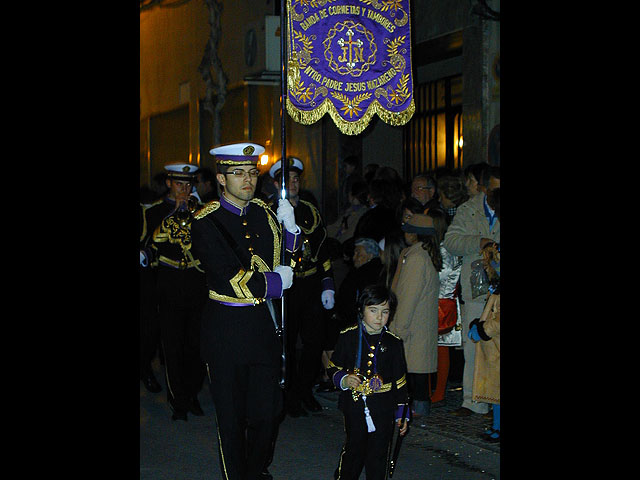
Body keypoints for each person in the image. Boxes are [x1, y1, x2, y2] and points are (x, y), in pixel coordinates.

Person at [190, 142, 301, 480]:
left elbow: (289, 263)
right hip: (226, 329)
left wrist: (292, 232)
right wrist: (274, 284)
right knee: (232, 418)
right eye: (238, 173)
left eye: (252, 173)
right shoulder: (205, 221)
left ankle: (256, 470)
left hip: (261, 328)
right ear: (222, 179)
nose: (247, 180)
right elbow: (227, 277)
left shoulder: (266, 215)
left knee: (269, 413)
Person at [267, 156, 336, 417]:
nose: (293, 184)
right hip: (286, 286)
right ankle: (287, 394)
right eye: (287, 180)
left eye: (296, 179)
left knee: (314, 341)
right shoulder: (268, 211)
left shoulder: (310, 210)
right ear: (277, 184)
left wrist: (327, 284)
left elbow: (322, 250)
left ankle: (304, 390)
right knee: (286, 343)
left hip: (309, 283)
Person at [139, 162, 207, 421]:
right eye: (180, 184)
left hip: (197, 283)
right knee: (173, 345)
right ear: (169, 183)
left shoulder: (199, 211)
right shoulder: (155, 212)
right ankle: (178, 399)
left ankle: (191, 393)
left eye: (189, 185)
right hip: (168, 284)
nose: (185, 189)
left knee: (197, 345)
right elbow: (147, 246)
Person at [327, 284, 409, 480]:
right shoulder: (348, 336)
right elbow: (332, 368)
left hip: (383, 407)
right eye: (373, 311)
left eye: (385, 312)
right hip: (355, 406)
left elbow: (400, 381)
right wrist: (344, 379)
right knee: (354, 448)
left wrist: (401, 413)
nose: (380, 317)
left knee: (379, 452)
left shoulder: (393, 342)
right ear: (361, 310)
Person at [443, 165, 500, 417]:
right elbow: (451, 241)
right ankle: (473, 401)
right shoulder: (468, 210)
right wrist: (479, 242)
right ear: (485, 188)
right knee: (473, 343)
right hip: (476, 287)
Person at [389, 213, 441, 419]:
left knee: (413, 369)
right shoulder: (424, 255)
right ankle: (418, 407)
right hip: (420, 324)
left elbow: (408, 295)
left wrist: (398, 327)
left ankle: (416, 410)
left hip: (412, 326)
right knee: (417, 368)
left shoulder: (416, 258)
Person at [427, 208, 463, 406]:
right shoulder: (438, 248)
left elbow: (442, 277)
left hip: (442, 303)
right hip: (438, 302)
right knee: (434, 349)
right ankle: (432, 390)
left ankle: (438, 392)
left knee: (441, 349)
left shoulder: (444, 250)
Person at [468, 241, 500, 442]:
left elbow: (497, 321)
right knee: (496, 392)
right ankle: (496, 425)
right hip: (493, 348)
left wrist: (481, 330)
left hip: (496, 346)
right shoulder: (495, 289)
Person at [139, 202, 162, 394]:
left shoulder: (144, 211)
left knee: (149, 330)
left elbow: (153, 243)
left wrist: (145, 254)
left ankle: (145, 367)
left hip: (143, 280)